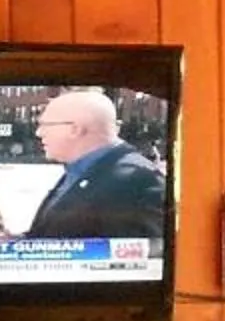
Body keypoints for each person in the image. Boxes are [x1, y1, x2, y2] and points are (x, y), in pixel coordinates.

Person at [23, 89, 168, 240]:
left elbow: (143, 256)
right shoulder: (81, 169)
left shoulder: (137, 182)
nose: (38, 133)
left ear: (75, 129)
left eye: (46, 125)